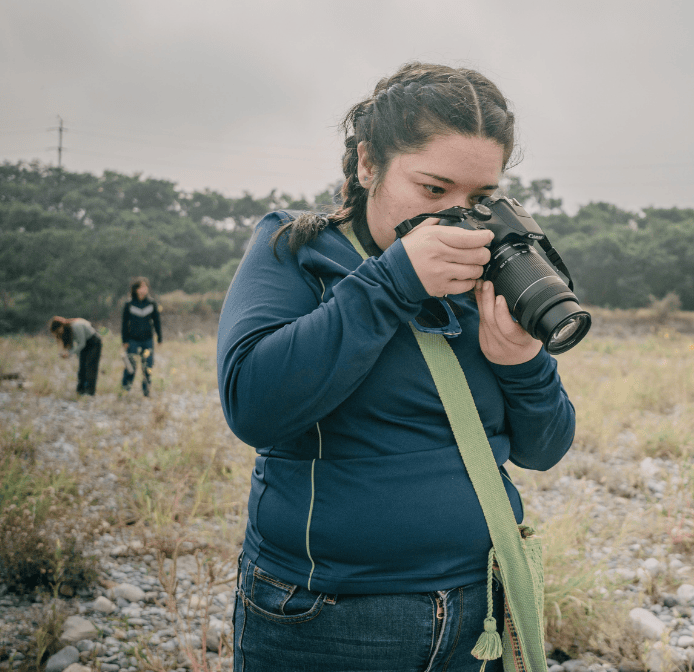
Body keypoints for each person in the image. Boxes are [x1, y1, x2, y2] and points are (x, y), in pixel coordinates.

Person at [216, 62, 575, 672]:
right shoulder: (296, 250)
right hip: (329, 617)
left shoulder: (485, 271)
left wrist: (522, 362)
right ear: (367, 165)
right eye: (434, 191)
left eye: (481, 198)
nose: (458, 218)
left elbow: (543, 450)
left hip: (479, 609)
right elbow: (254, 405)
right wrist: (394, 280)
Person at [120, 277, 162, 396]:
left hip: (147, 340)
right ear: (136, 289)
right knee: (130, 366)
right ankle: (125, 389)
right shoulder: (129, 304)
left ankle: (146, 391)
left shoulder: (152, 304)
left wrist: (159, 337)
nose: (144, 289)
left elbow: (157, 321)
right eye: (141, 287)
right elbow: (124, 324)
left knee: (148, 366)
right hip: (132, 340)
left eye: (146, 287)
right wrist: (124, 340)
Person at [49, 316, 102, 396]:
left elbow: (82, 343)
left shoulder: (76, 326)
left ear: (61, 326)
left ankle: (90, 392)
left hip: (94, 342)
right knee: (82, 368)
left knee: (90, 367)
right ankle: (80, 391)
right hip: (85, 345)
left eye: (58, 330)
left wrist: (70, 353)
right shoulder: (68, 330)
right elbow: (74, 347)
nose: (59, 333)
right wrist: (68, 354)